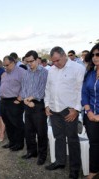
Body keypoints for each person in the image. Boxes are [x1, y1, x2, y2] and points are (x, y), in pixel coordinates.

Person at [44, 46, 85, 179]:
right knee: (58, 137)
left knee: (72, 140)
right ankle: (60, 161)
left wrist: (77, 109)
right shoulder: (51, 70)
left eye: (57, 60)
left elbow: (80, 90)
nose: (55, 64)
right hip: (54, 110)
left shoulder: (78, 68)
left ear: (64, 56)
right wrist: (47, 105)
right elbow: (48, 88)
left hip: (69, 110)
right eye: (53, 61)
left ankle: (74, 169)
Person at [20, 50, 48, 165]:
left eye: (31, 61)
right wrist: (26, 100)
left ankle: (42, 155)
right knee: (28, 131)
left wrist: (31, 99)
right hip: (27, 104)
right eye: (27, 62)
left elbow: (42, 89)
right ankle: (31, 151)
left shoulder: (44, 72)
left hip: (39, 104)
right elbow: (23, 88)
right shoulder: (26, 72)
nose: (29, 64)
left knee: (41, 132)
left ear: (37, 60)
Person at [0, 55, 25, 150]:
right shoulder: (5, 73)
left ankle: (19, 144)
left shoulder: (21, 72)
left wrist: (19, 99)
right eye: (4, 66)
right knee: (8, 123)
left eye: (7, 65)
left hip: (14, 101)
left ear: (13, 62)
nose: (5, 67)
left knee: (16, 123)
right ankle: (12, 142)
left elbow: (25, 86)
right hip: (4, 101)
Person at [81, 43, 99, 179]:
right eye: (93, 55)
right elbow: (84, 93)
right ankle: (94, 170)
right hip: (90, 115)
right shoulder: (90, 73)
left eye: (97, 54)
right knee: (94, 144)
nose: (94, 57)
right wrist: (89, 111)